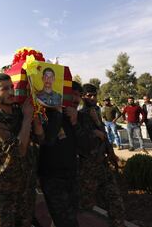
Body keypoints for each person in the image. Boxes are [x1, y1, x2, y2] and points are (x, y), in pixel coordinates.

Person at [0, 73, 44, 227]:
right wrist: (27, 118)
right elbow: (18, 150)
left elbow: (41, 138)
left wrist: (34, 115)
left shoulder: (19, 112)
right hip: (3, 189)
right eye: (4, 89)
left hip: (25, 185)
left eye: (12, 87)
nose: (11, 92)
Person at [39, 81, 95, 227]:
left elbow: (88, 146)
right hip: (52, 178)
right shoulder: (49, 115)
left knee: (69, 215)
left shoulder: (82, 118)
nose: (77, 99)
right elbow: (49, 140)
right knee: (67, 221)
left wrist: (75, 122)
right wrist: (57, 114)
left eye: (79, 95)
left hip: (72, 176)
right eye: (73, 95)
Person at [78, 83, 125, 227]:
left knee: (114, 200)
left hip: (102, 162)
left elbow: (103, 135)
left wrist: (111, 154)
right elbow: (80, 137)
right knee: (84, 204)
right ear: (83, 97)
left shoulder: (96, 111)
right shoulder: (81, 114)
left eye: (94, 95)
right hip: (88, 166)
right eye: (89, 95)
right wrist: (94, 131)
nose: (92, 98)